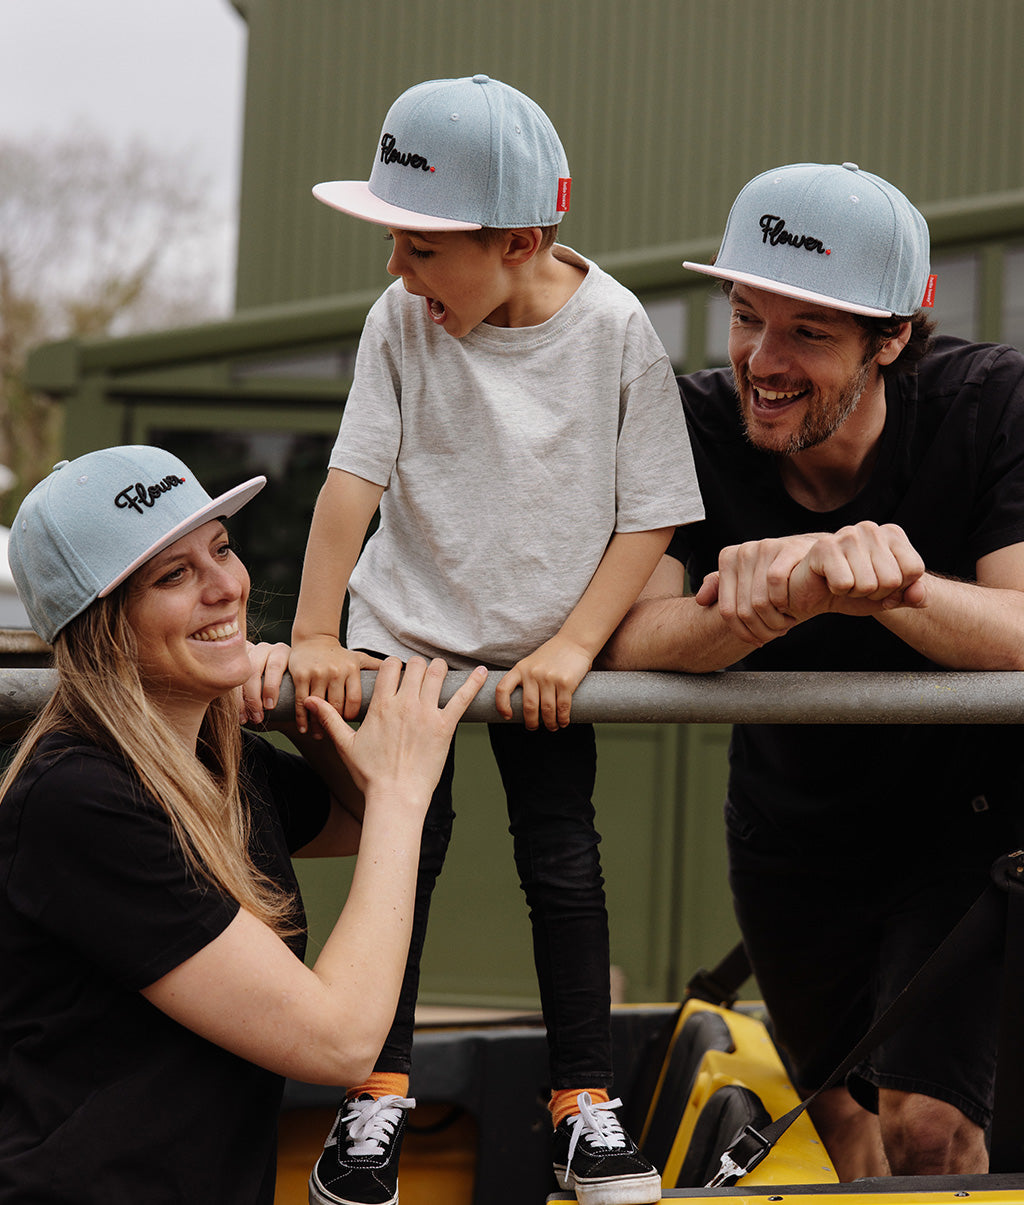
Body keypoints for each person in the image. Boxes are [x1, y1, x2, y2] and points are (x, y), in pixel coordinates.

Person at [290, 75, 703, 1205]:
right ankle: (373, 1091)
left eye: (418, 247)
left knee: (560, 853)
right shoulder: (401, 320)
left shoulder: (614, 330)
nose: (395, 271)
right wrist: (318, 630)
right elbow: (350, 480)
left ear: (517, 240)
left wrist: (572, 647)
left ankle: (583, 1103)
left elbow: (651, 509)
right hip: (405, 630)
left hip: (535, 649)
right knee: (402, 851)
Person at [603, 161, 1024, 1180]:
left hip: (965, 831)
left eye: (809, 333)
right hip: (790, 831)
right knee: (840, 1132)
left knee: (928, 1124)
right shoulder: (688, 420)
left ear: (892, 339)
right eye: (747, 316)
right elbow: (624, 636)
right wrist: (772, 600)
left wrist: (889, 585)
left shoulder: (989, 403)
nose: (763, 359)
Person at [0, 444, 486, 1204]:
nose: (227, 587)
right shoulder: (78, 794)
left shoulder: (222, 760)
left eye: (221, 548)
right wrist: (399, 789)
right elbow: (340, 1038)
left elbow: (357, 823)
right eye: (174, 574)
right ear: (100, 626)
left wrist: (306, 715)